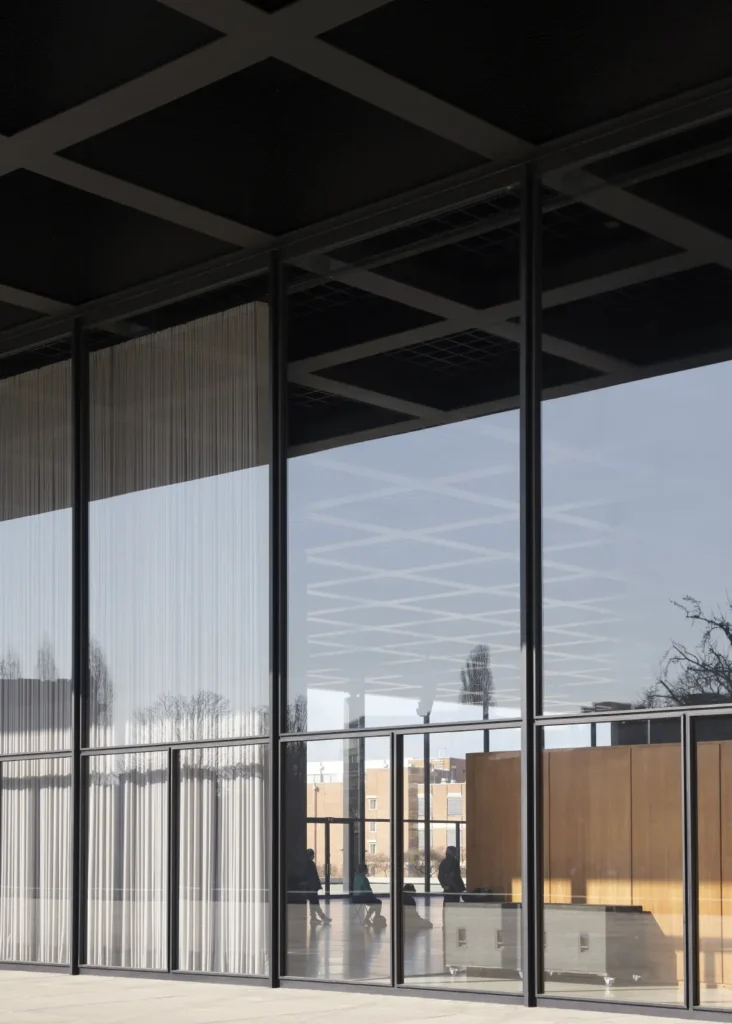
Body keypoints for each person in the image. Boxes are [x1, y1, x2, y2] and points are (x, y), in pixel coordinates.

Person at [304, 849, 331, 924]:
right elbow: (314, 877)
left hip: (309, 887)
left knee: (313, 903)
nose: (313, 856)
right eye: (313, 855)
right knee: (315, 903)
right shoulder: (311, 864)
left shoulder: (305, 864)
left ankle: (314, 918)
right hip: (312, 887)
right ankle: (322, 917)